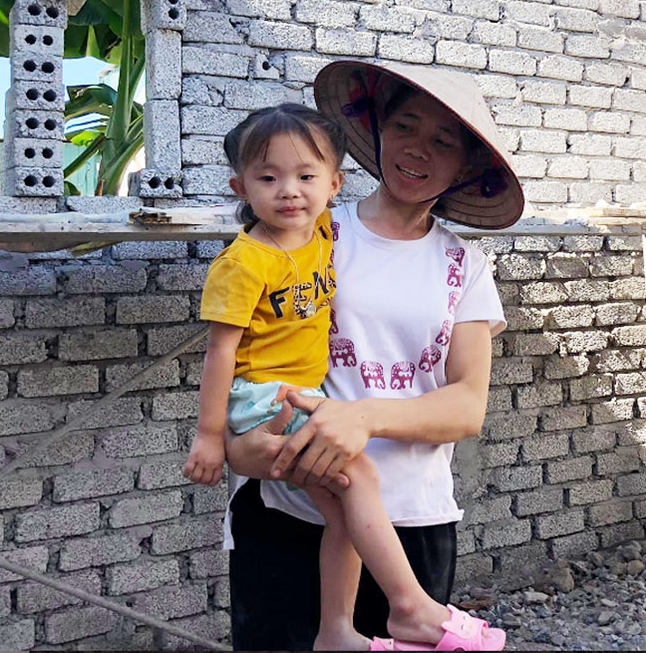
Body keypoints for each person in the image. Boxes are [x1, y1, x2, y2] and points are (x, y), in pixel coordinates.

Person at [221, 61, 524, 651]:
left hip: (409, 522)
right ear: (377, 131)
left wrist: (361, 416)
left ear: (466, 167)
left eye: (444, 141)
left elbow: (466, 407)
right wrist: (237, 445)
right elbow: (244, 355)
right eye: (406, 126)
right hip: (289, 512)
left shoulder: (464, 266)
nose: (419, 149)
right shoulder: (306, 233)